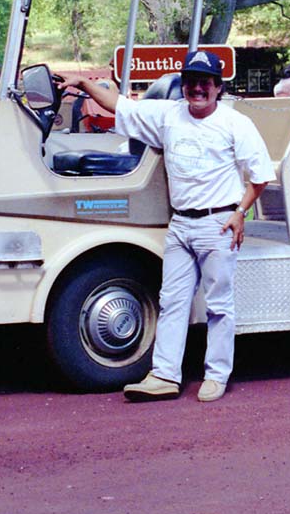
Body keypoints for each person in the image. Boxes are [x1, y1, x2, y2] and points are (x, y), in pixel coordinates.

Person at [57, 50, 274, 403]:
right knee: (172, 301)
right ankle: (164, 375)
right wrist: (83, 82)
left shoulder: (236, 124)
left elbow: (261, 176)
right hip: (181, 225)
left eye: (205, 82)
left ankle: (217, 376)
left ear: (218, 87)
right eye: (191, 82)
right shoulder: (168, 114)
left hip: (218, 223)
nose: (197, 89)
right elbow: (119, 105)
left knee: (219, 305)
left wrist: (240, 212)